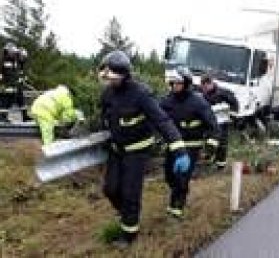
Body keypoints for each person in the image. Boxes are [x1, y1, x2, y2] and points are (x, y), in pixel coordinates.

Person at [99, 50, 190, 247]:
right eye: (106, 77)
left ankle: (129, 235)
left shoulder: (141, 94)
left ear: (123, 74)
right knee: (110, 189)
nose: (109, 81)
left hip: (137, 152)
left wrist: (180, 150)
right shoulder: (107, 94)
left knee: (130, 192)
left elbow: (162, 121)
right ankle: (127, 214)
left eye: (112, 77)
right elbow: (104, 118)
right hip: (116, 150)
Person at [160, 68, 220, 219]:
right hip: (173, 146)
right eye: (173, 83)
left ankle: (176, 210)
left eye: (178, 83)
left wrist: (211, 146)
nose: (175, 86)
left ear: (186, 84)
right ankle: (180, 192)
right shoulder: (168, 101)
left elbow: (213, 125)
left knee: (182, 177)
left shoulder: (198, 102)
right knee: (169, 176)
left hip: (191, 147)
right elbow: (158, 119)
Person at [200, 74, 239, 170]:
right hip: (210, 122)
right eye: (203, 87)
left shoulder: (223, 93)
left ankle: (220, 165)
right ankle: (209, 158)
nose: (204, 89)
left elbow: (234, 103)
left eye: (205, 87)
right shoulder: (204, 95)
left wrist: (232, 117)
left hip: (223, 122)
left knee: (221, 143)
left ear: (211, 83)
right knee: (210, 140)